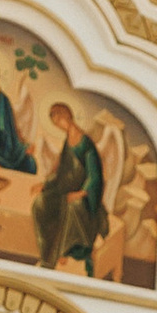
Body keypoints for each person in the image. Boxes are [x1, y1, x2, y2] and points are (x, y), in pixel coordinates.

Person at [33, 102, 110, 275]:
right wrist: (45, 184)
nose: (59, 124)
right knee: (40, 204)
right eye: (55, 122)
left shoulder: (86, 144)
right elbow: (60, 171)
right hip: (63, 190)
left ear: (68, 116)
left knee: (71, 207)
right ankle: (47, 253)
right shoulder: (68, 141)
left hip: (84, 198)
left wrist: (81, 193)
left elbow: (94, 176)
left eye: (59, 119)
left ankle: (64, 252)